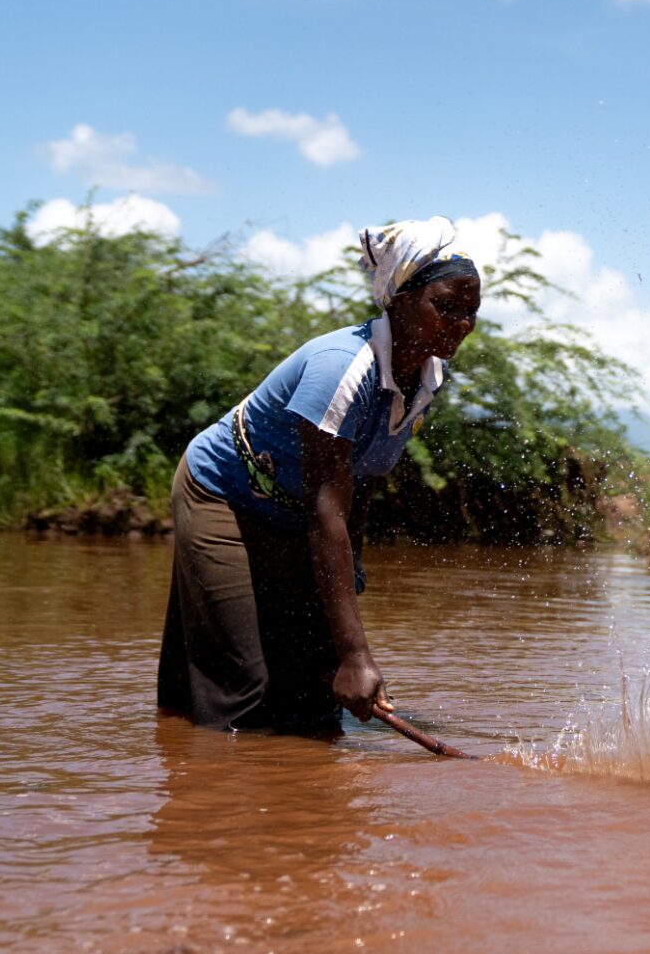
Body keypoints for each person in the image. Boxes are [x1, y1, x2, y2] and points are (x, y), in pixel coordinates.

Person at [158, 217, 482, 732]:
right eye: (445, 306)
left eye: (470, 311)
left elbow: (367, 477)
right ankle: (216, 797)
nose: (461, 323)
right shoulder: (343, 368)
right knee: (245, 688)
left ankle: (190, 744)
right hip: (223, 494)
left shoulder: (428, 376)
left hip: (293, 509)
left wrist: (350, 570)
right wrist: (356, 656)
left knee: (311, 686)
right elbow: (325, 506)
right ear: (398, 300)